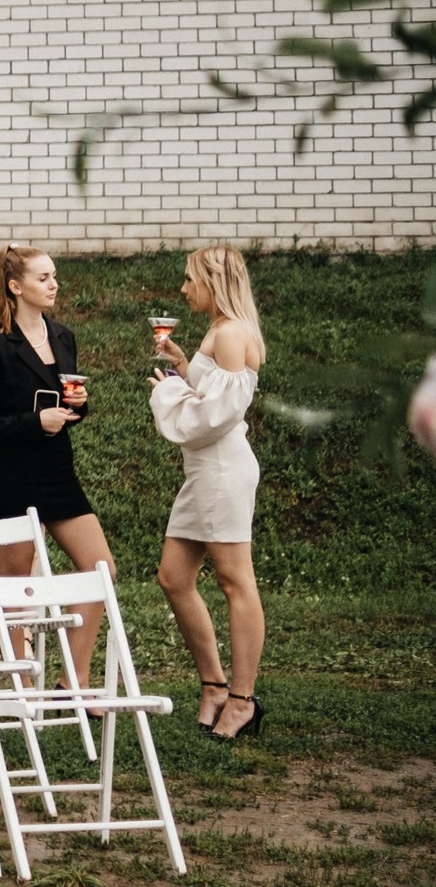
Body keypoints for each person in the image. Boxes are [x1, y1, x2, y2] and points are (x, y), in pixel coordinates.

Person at [0, 247, 116, 691]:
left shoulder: (63, 336)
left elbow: (68, 404)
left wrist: (78, 406)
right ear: (16, 287)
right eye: (44, 278)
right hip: (14, 476)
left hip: (58, 471)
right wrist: (35, 422)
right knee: (16, 583)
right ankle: (21, 685)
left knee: (101, 568)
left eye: (54, 277)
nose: (54, 285)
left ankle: (73, 679)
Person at [150, 246, 269, 740]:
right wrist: (185, 367)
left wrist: (167, 391)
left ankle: (242, 700)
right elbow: (215, 393)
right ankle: (214, 686)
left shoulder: (233, 332)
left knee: (234, 580)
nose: (183, 289)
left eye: (189, 279)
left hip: (222, 469)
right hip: (203, 472)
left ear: (213, 280)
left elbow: (216, 417)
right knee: (174, 577)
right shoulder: (219, 329)